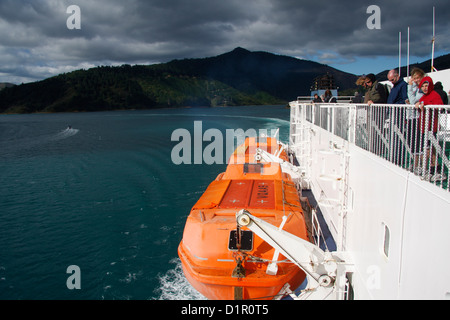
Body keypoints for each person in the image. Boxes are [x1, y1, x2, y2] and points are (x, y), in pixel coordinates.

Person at [414, 76, 444, 181]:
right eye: (423, 86)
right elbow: (420, 109)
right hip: (424, 127)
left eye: (427, 85)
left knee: (432, 149)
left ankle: (437, 170)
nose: (425, 88)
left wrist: (425, 104)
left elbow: (439, 105)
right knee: (427, 149)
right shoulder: (422, 97)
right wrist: (418, 105)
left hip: (432, 128)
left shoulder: (434, 95)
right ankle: (431, 170)